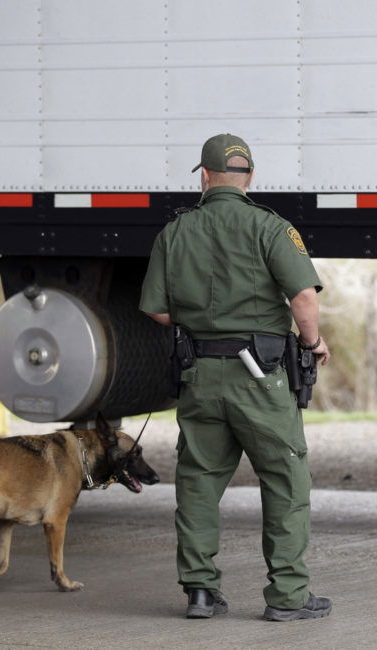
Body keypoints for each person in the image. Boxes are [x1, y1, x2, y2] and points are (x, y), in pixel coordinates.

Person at [139, 134, 332, 622]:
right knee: (286, 479)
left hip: (199, 374)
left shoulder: (174, 233)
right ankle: (287, 597)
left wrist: (202, 323)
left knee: (199, 481)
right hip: (260, 378)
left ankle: (201, 593)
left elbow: (158, 310)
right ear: (250, 178)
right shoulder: (271, 227)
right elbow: (303, 298)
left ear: (204, 177)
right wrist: (312, 342)